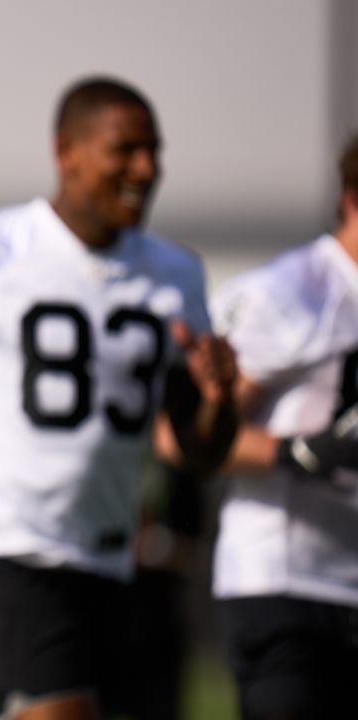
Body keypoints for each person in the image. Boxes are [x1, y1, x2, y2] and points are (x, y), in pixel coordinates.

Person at [0, 77, 238, 720]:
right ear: (67, 152)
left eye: (154, 151)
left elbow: (201, 449)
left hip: (118, 562)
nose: (146, 169)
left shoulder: (175, 273)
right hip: (12, 550)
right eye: (125, 150)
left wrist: (218, 398)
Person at [210, 134, 358, 720]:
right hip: (286, 585)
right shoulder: (293, 292)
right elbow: (188, 438)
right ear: (351, 198)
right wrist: (301, 452)